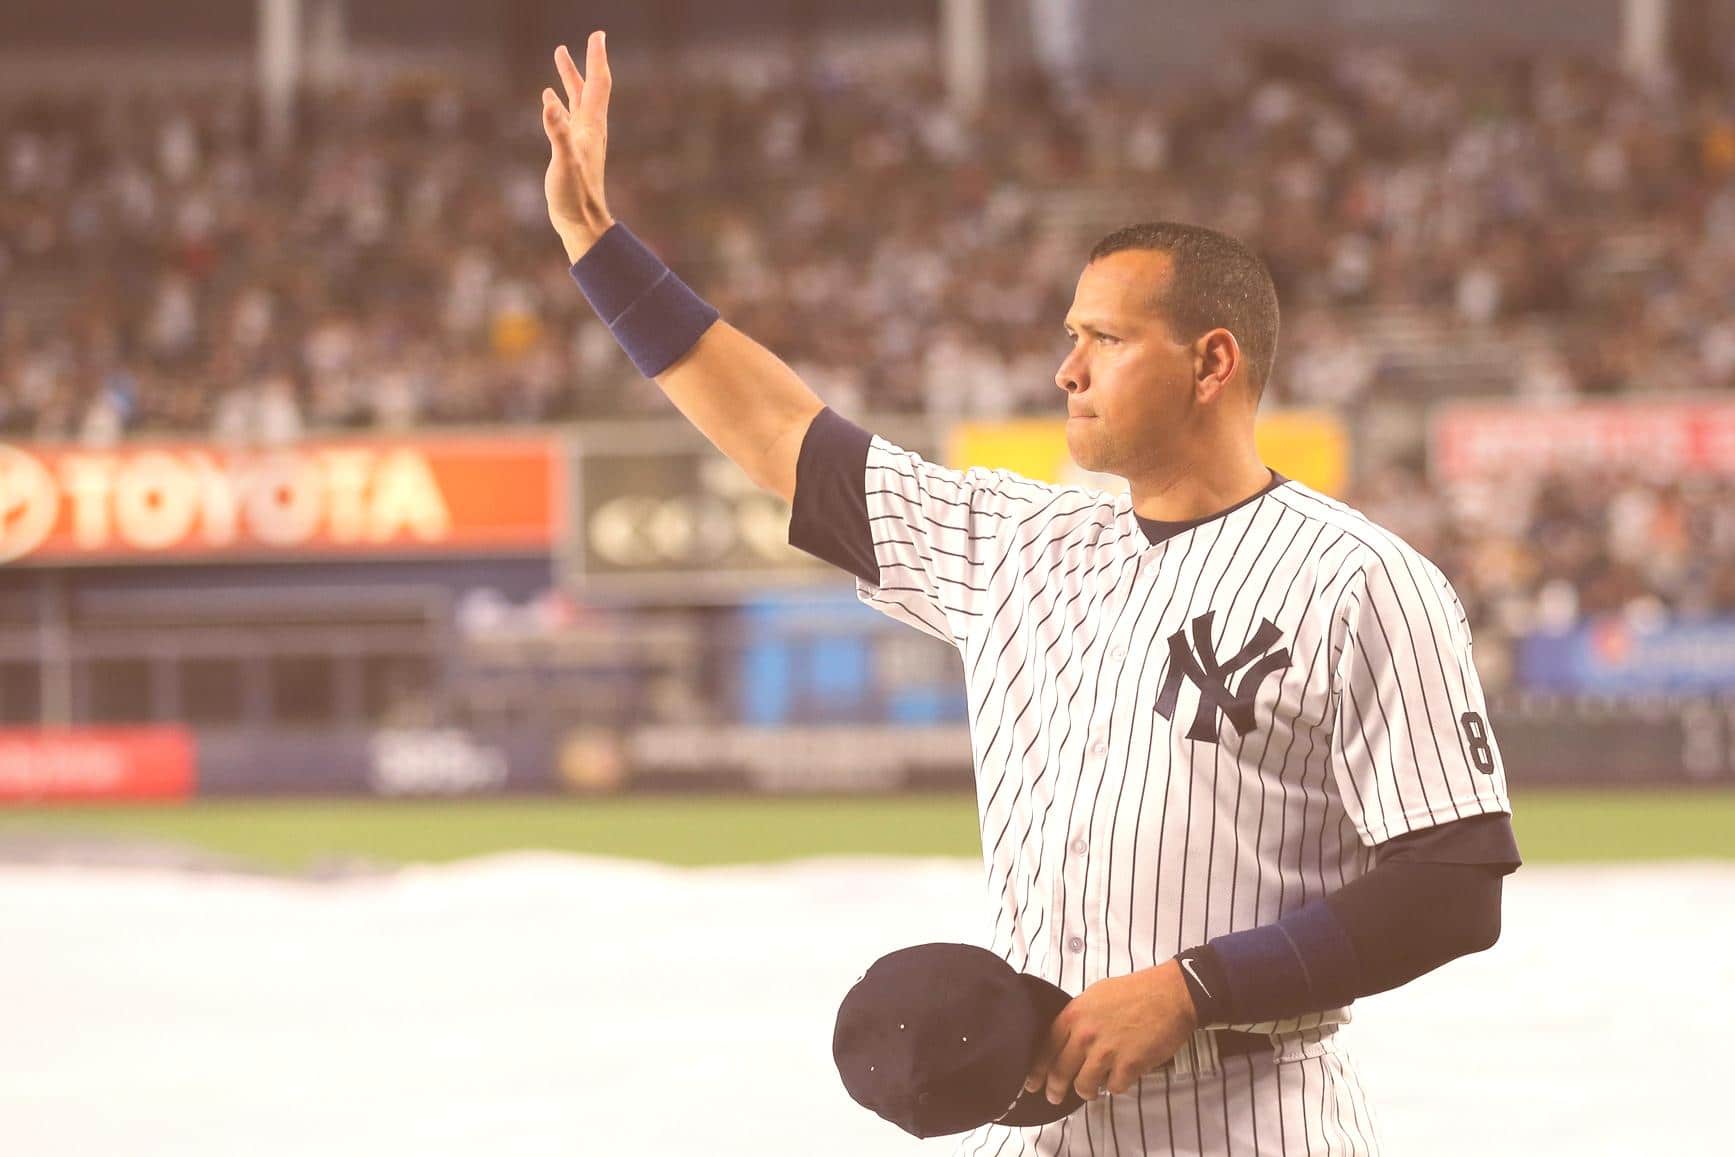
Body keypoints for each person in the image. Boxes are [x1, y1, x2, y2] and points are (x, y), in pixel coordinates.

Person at [540, 32, 1521, 1155]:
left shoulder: (1362, 580)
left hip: (1252, 1113)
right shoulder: (1015, 542)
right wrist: (594, 243)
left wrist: (1194, 986)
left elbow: (1452, 887)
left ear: (1212, 363)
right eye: (1069, 338)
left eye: (1103, 338)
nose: (1067, 369)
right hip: (1042, 1123)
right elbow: (780, 433)